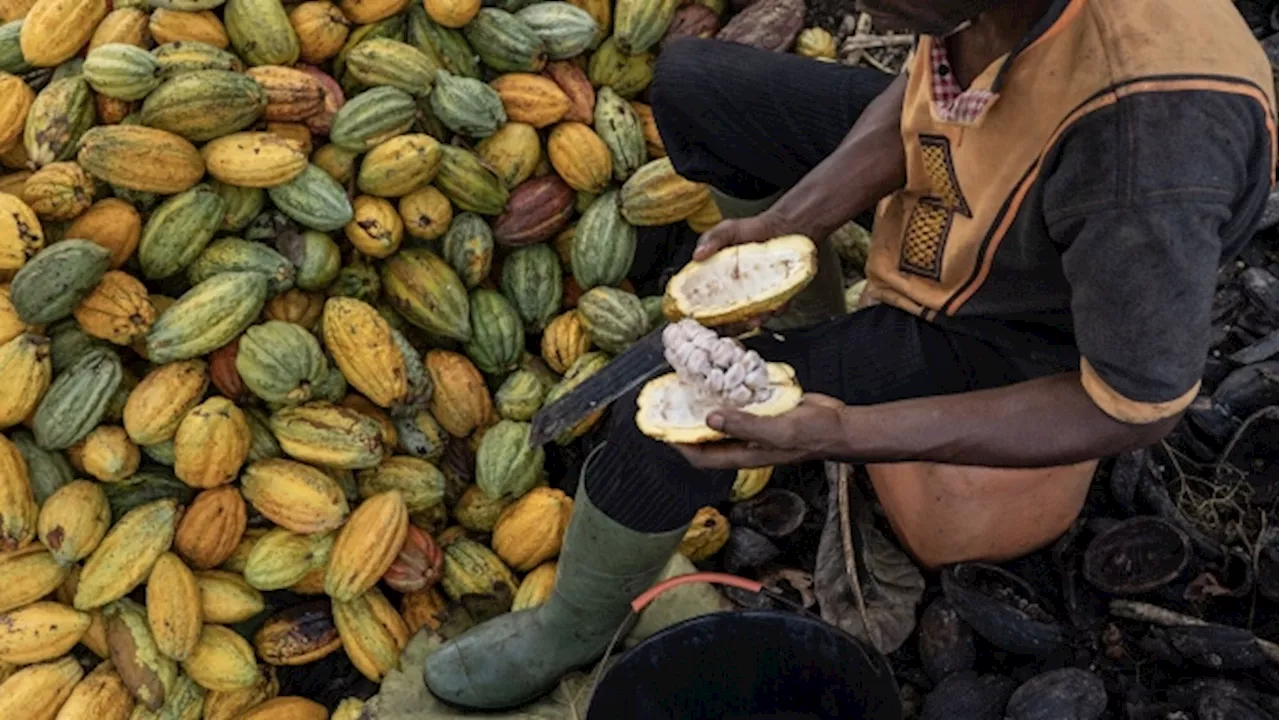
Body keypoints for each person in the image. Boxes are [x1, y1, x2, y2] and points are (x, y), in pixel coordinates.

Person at [425, 0, 1278, 709]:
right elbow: (923, 100)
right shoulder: (984, 14)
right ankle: (796, 317)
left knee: (663, 424)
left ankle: (572, 623)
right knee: (695, 86)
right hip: (969, 190)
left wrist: (843, 430)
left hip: (1016, 321)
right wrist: (788, 225)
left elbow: (1128, 403)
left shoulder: (1146, 149)